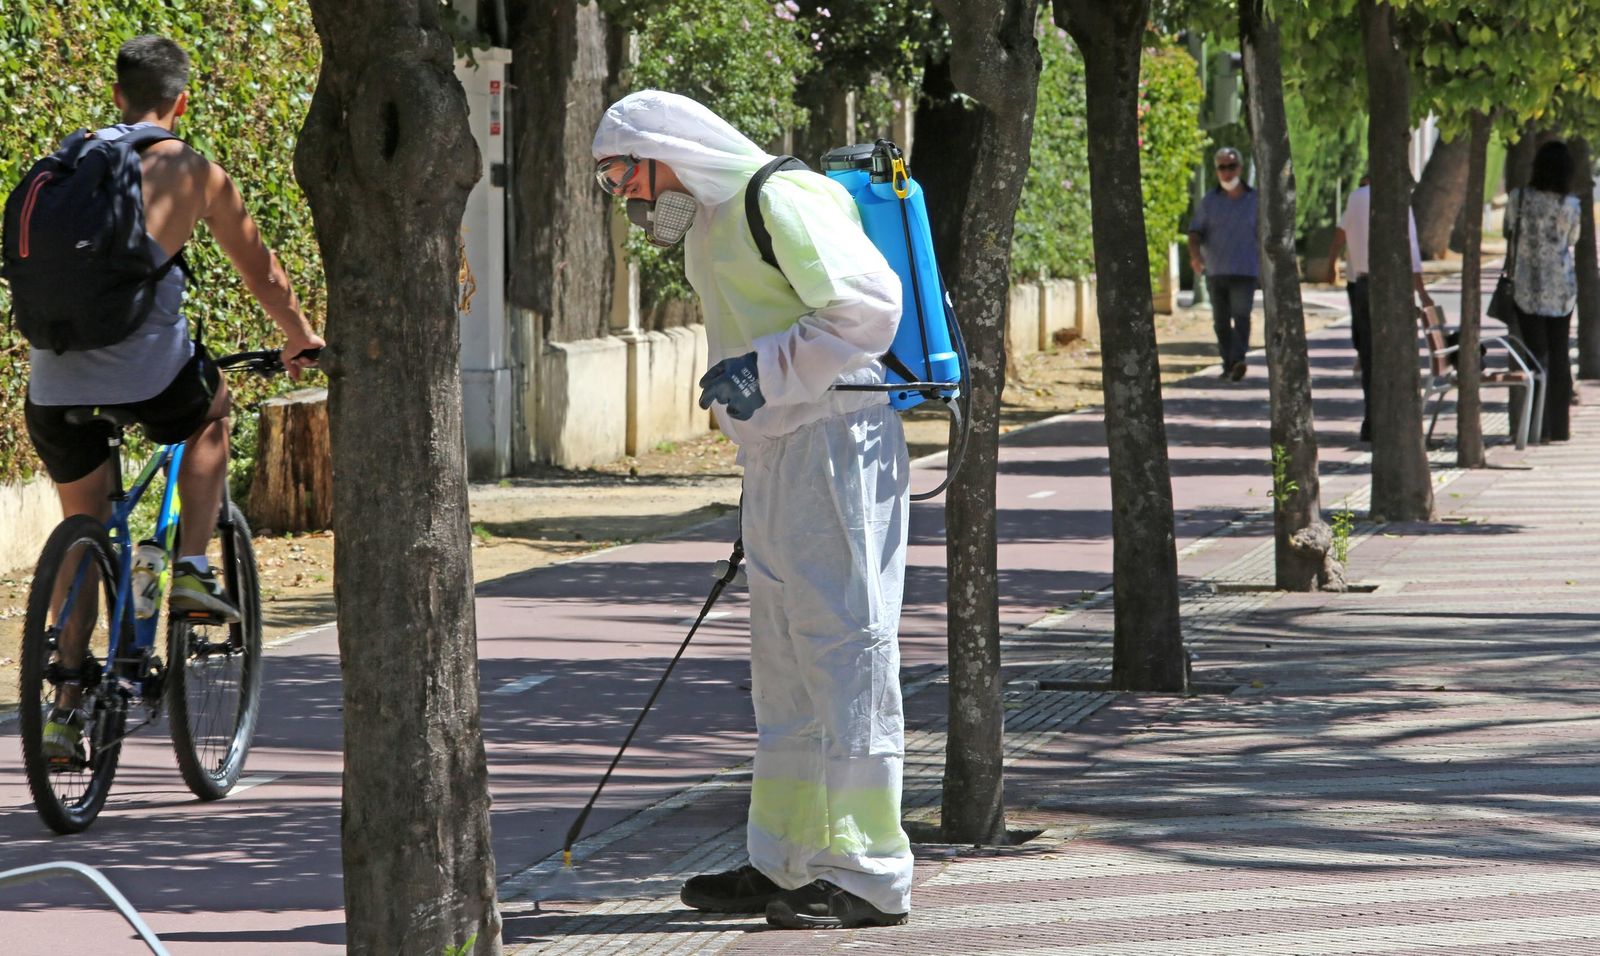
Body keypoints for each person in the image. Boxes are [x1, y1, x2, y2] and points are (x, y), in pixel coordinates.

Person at [592, 90, 912, 930]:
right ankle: (785, 861)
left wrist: (762, 371)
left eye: (626, 175)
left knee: (847, 650)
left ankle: (870, 873)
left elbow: (870, 308)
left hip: (836, 441)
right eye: (612, 183)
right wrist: (758, 395)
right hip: (780, 451)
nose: (627, 197)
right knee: (783, 665)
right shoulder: (711, 222)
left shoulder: (781, 197)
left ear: (670, 153)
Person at [23, 36, 323, 759]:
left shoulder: (67, 163)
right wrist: (299, 335)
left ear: (117, 95)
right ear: (180, 101)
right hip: (150, 375)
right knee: (212, 408)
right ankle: (191, 569)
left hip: (53, 381)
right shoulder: (192, 170)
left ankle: (64, 709)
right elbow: (261, 272)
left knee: (85, 528)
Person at [1327, 173, 1435, 443]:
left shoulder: (1355, 198)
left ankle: (1371, 420)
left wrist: (1331, 263)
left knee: (1369, 356)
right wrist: (1421, 292)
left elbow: (1341, 235)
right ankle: (1395, 421)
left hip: (1362, 284)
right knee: (1395, 355)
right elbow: (1411, 251)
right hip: (1392, 285)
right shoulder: (1398, 201)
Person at [1505, 141, 1581, 442]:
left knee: (1534, 356)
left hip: (1527, 288)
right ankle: (1560, 427)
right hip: (1562, 289)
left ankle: (1538, 427)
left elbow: (1509, 230)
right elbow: (1572, 238)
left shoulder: (1519, 198)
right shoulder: (1570, 204)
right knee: (1559, 354)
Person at [1188, 147, 1259, 381]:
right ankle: (1228, 364)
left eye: (1231, 166)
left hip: (1245, 271)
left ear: (1240, 168)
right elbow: (1195, 232)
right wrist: (1195, 256)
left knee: (1241, 316)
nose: (1227, 172)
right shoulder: (1209, 201)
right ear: (1216, 171)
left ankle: (1238, 359)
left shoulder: (1255, 200)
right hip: (1216, 270)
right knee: (1220, 322)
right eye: (1222, 167)